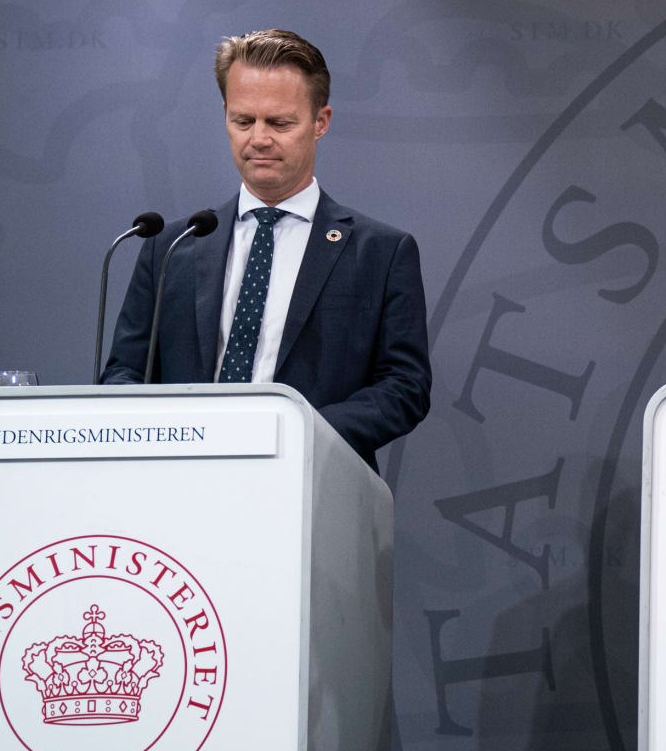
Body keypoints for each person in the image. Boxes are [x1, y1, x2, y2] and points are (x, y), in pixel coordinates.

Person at [104, 28, 431, 469]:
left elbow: (404, 387)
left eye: (279, 123)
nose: (258, 138)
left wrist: (297, 434)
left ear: (320, 122)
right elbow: (124, 373)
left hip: (311, 479)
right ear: (225, 114)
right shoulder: (171, 248)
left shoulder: (381, 253)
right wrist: (170, 433)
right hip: (179, 479)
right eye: (243, 121)